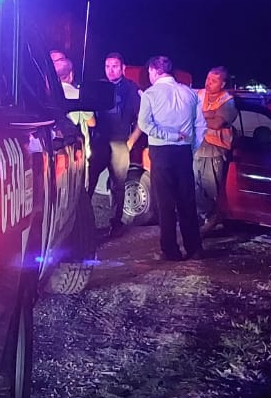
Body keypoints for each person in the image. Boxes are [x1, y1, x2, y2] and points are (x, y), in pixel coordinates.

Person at [138, 55, 205, 262]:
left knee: (165, 203)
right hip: (184, 152)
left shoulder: (150, 94)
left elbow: (144, 125)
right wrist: (190, 146)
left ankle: (170, 250)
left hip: (161, 152)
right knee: (187, 201)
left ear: (154, 70)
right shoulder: (190, 93)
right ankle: (194, 248)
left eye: (149, 72)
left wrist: (170, 136)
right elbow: (201, 125)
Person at [87, 52, 142, 238]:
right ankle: (85, 223)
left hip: (120, 143)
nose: (110, 70)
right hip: (98, 142)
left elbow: (142, 119)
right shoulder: (98, 87)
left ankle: (116, 223)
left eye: (115, 66)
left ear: (122, 68)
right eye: (107, 66)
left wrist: (131, 141)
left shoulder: (131, 89)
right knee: (89, 181)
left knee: (118, 185)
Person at [195, 66, 237, 233]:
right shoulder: (199, 94)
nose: (208, 83)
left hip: (215, 150)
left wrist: (200, 115)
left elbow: (217, 123)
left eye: (213, 81)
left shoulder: (227, 100)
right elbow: (193, 113)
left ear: (223, 83)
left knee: (210, 189)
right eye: (207, 79)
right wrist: (209, 113)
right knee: (194, 187)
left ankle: (212, 220)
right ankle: (209, 217)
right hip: (198, 146)